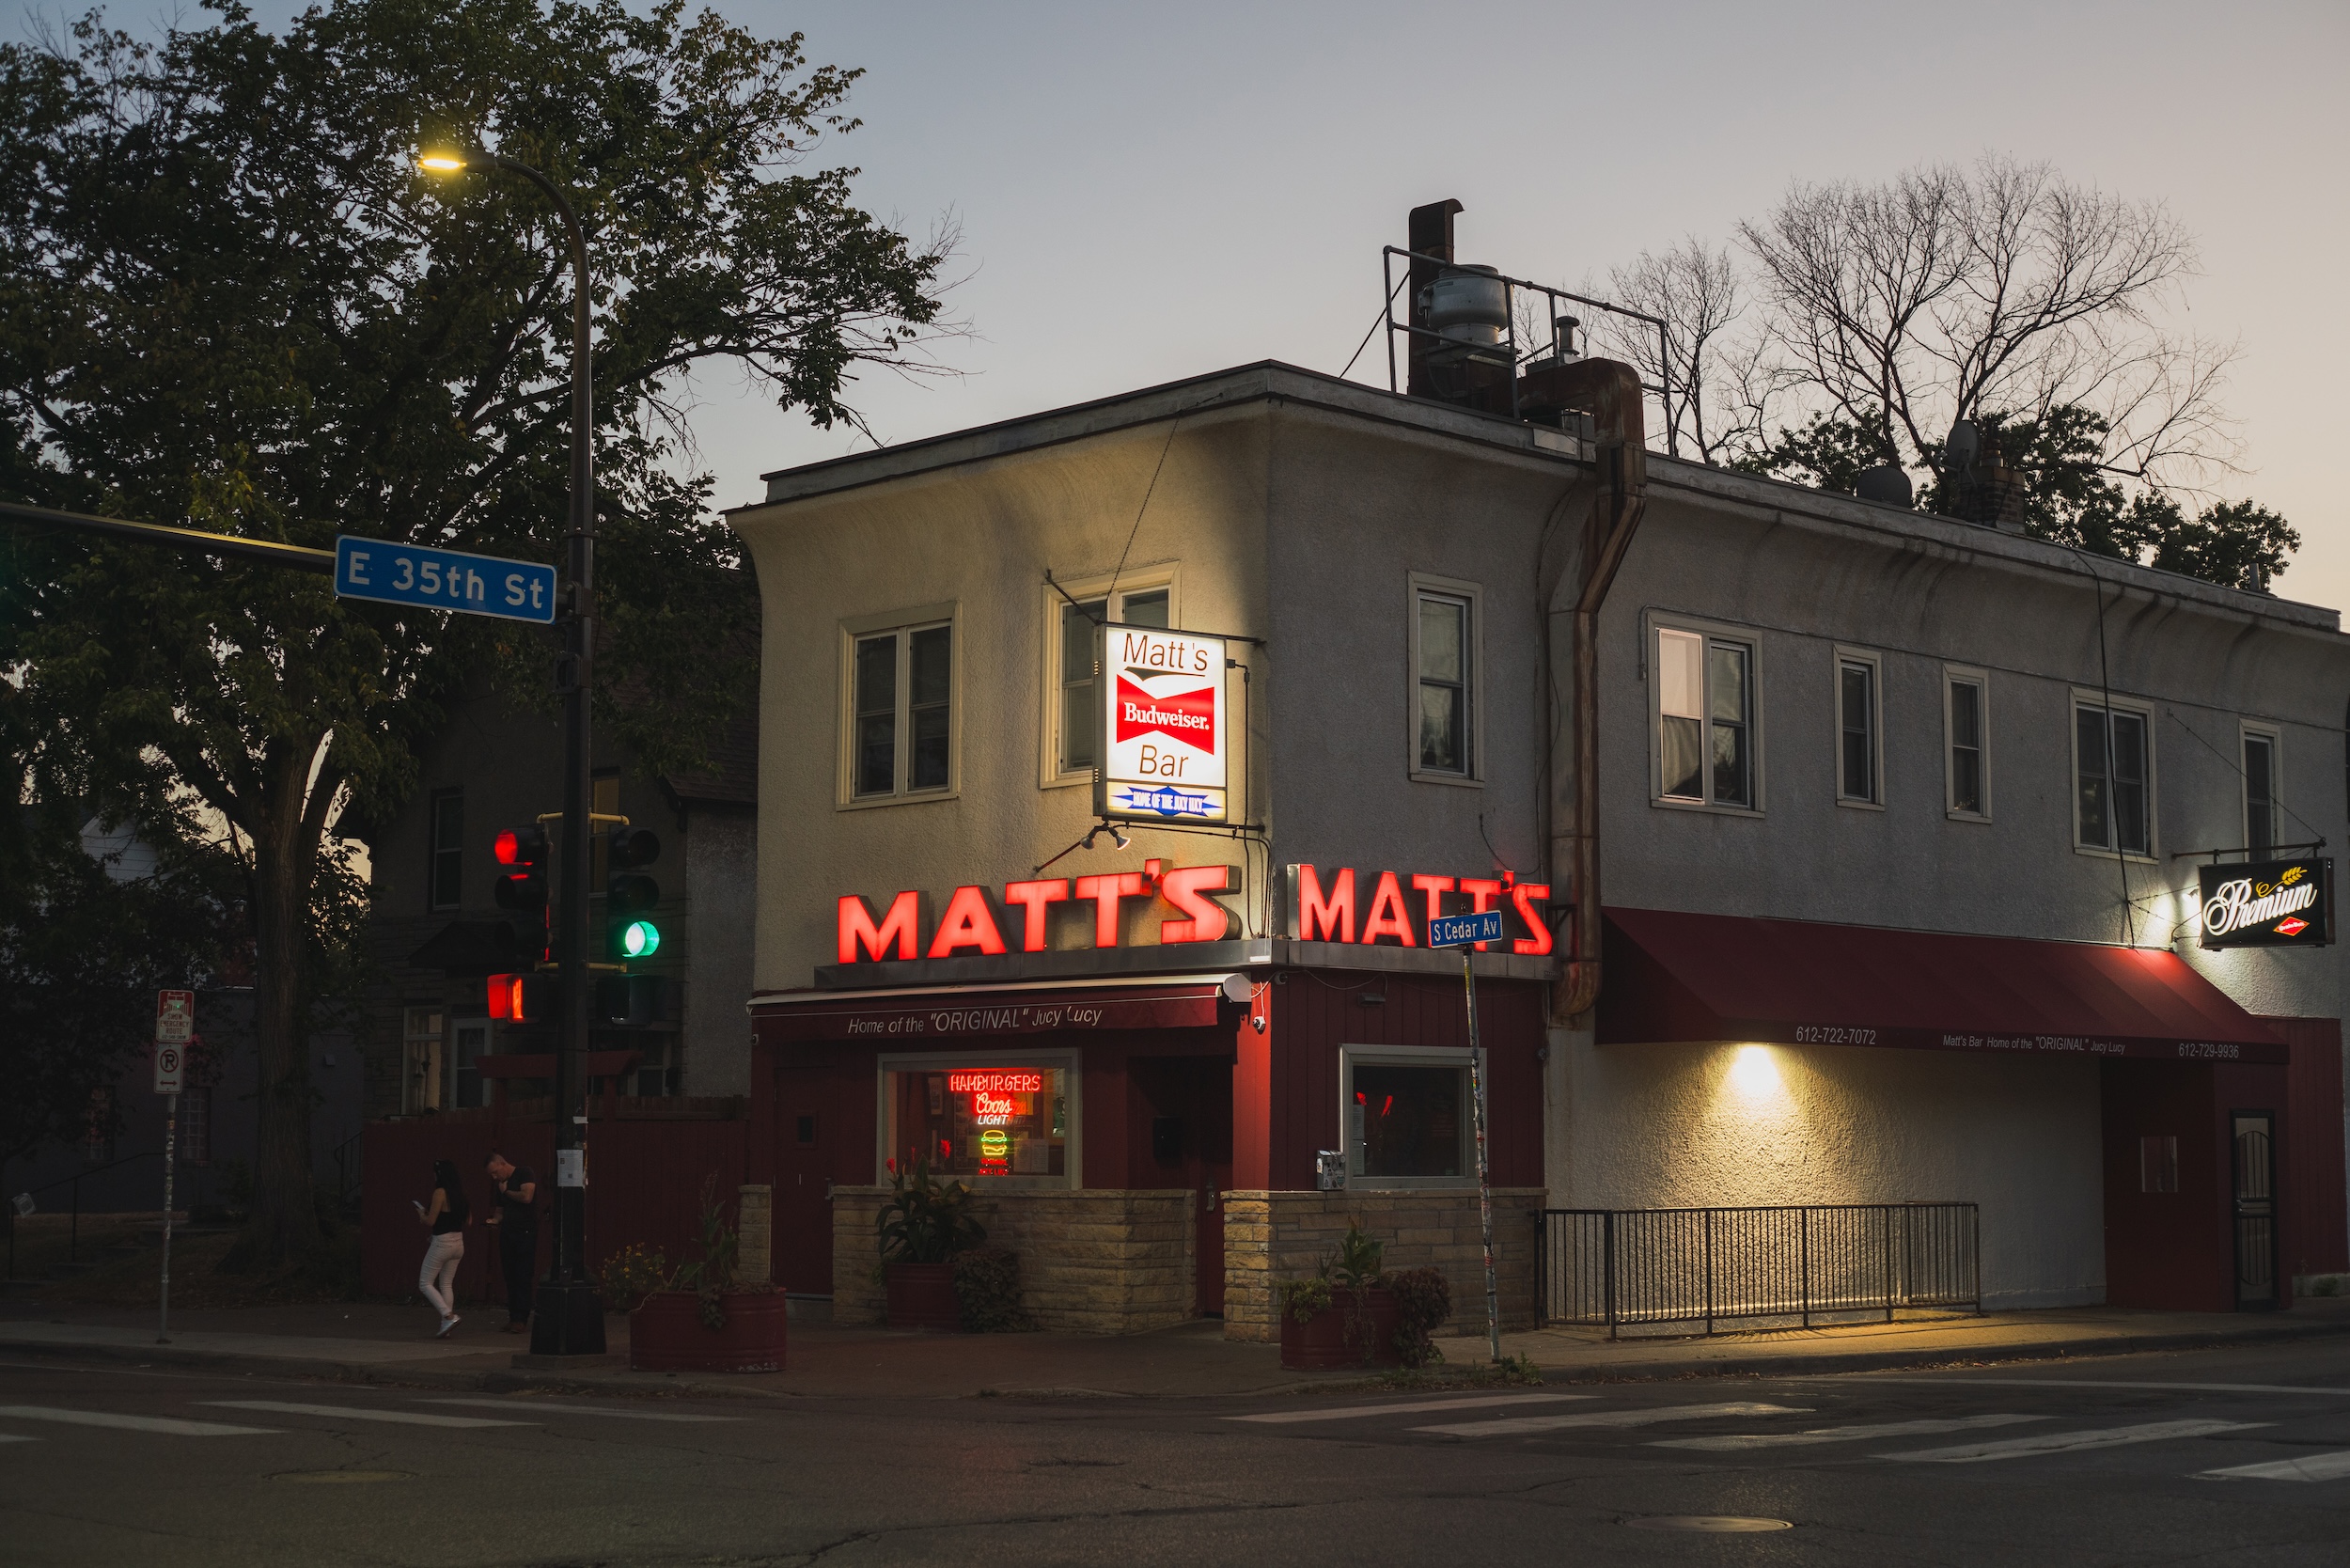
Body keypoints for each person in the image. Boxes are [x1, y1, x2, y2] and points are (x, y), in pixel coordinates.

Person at [413, 1157, 469, 1338]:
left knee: (425, 1283)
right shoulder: (461, 1194)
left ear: (439, 1174)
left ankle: (448, 1315)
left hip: (442, 1243)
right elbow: (469, 1220)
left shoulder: (440, 1193)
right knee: (446, 1283)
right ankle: (446, 1327)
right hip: (458, 1243)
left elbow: (431, 1220)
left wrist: (422, 1214)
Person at [484, 1151, 539, 1334]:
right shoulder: (499, 1185)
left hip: (524, 1231)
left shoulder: (524, 1173)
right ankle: (513, 1316)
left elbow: (526, 1197)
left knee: (522, 1274)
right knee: (510, 1274)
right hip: (507, 1231)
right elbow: (500, 1211)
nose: (494, 1177)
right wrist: (494, 1221)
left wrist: (506, 1191)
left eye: (495, 1172)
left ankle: (521, 1317)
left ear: (502, 1164)